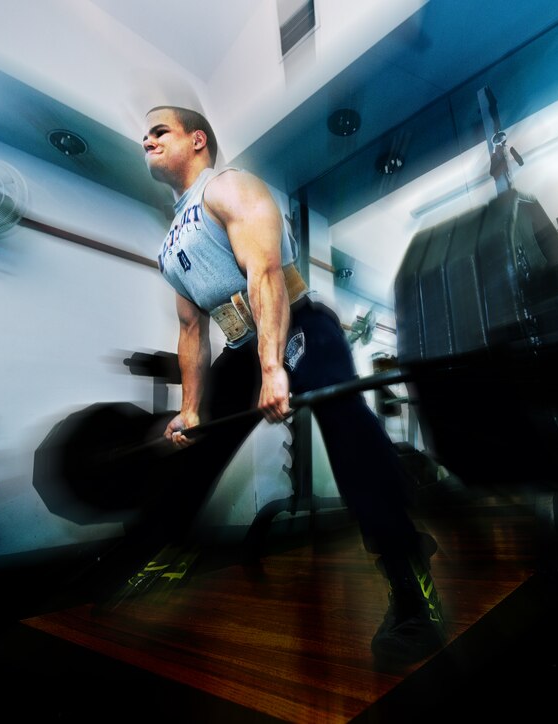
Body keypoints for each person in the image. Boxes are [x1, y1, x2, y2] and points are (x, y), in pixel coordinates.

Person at [137, 105, 446, 669]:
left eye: (161, 131)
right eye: (145, 135)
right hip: (240, 348)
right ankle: (168, 551)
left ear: (197, 140)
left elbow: (265, 273)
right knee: (198, 447)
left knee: (350, 435)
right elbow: (191, 330)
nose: (147, 140)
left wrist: (273, 366)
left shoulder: (227, 188)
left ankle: (409, 576)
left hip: (300, 323)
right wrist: (190, 408)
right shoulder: (169, 245)